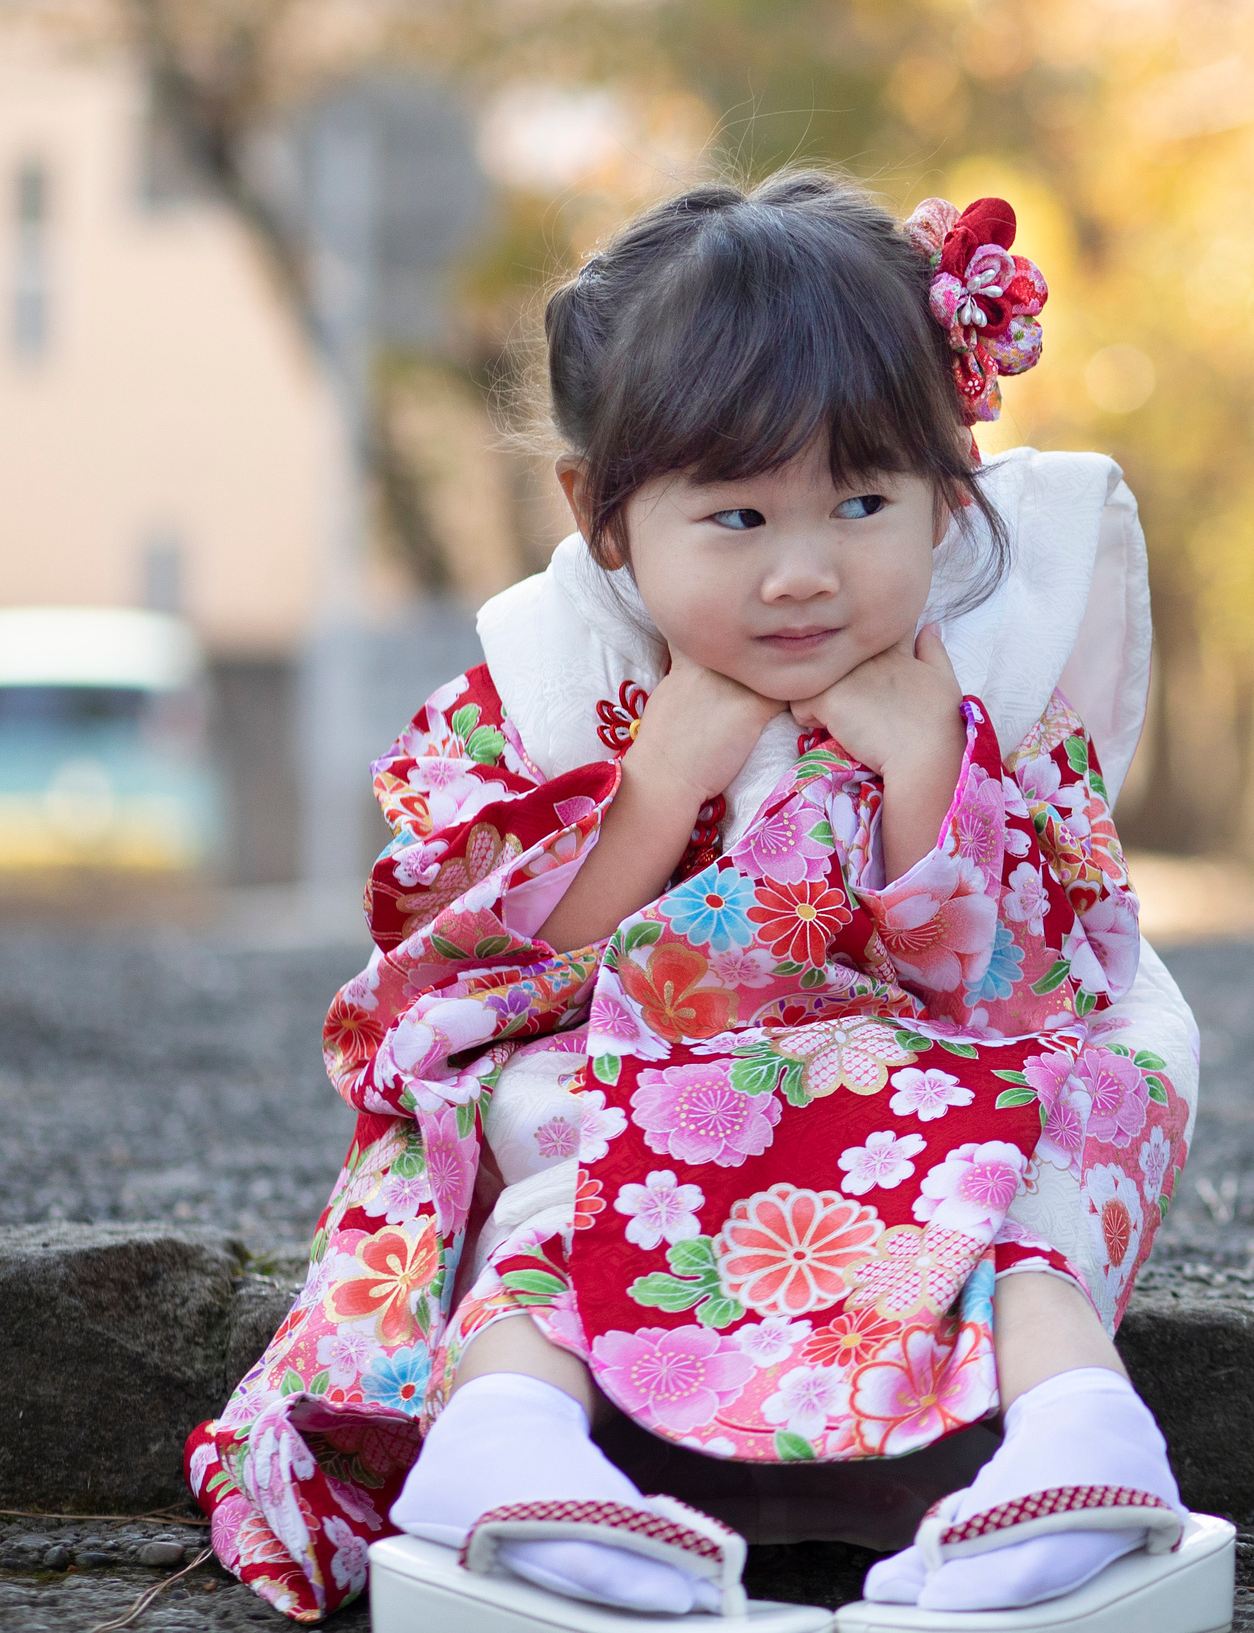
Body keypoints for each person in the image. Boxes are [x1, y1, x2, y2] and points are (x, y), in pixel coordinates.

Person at [188, 172, 1200, 1623]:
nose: (803, 572)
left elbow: (1037, 978)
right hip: (636, 1068)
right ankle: (509, 1444)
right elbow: (473, 969)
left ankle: (1079, 1442)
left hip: (934, 1069)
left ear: (950, 489)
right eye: (735, 515)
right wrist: (655, 790)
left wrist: (931, 773)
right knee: (557, 1174)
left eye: (864, 501)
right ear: (601, 515)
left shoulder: (982, 684)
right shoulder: (558, 689)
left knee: (1037, 1150)